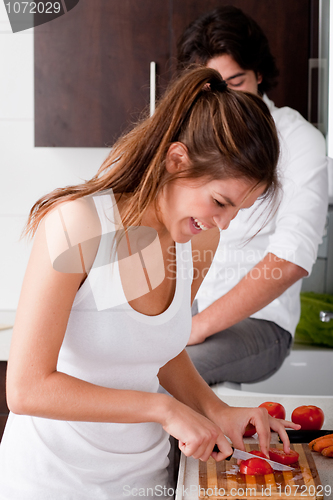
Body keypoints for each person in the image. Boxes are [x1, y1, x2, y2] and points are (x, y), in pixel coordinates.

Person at [0, 67, 300, 500]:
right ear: (176, 160)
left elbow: (158, 347)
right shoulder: (78, 225)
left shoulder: (199, 239)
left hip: (146, 482)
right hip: (49, 484)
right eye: (220, 202)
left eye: (238, 210)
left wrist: (217, 410)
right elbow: (26, 389)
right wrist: (163, 409)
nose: (224, 222)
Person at [177, 6, 328, 386]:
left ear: (259, 75)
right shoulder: (197, 137)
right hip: (186, 309)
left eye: (238, 81)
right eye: (216, 87)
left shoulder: (299, 141)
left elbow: (291, 258)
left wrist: (197, 327)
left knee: (169, 377)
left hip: (260, 323)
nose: (229, 99)